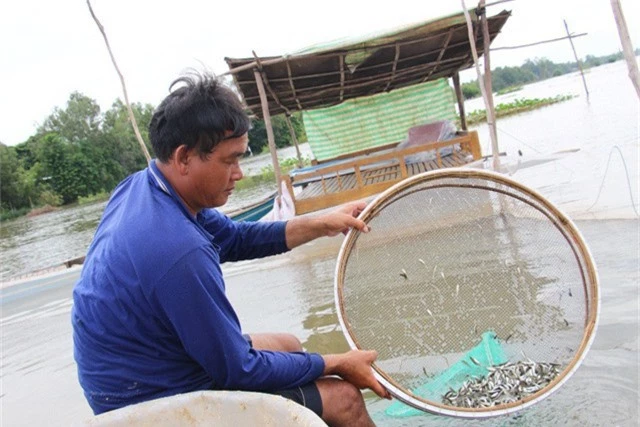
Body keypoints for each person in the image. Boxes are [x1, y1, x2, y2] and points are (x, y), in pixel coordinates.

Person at [71, 72, 390, 426]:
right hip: (151, 400)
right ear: (184, 158)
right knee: (343, 398)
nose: (239, 173)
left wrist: (322, 222)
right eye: (229, 160)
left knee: (289, 344)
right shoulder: (179, 251)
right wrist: (339, 362)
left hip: (137, 369)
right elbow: (240, 369)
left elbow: (235, 239)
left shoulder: (145, 187)